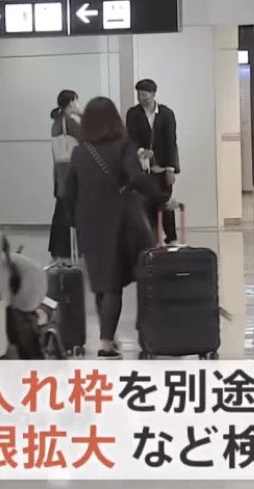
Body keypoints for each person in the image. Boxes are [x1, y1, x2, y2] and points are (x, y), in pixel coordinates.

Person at [66, 97, 173, 359]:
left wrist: (76, 221)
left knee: (101, 282)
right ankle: (107, 343)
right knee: (116, 283)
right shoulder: (123, 146)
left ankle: (108, 339)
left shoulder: (79, 152)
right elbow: (135, 177)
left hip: (89, 224)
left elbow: (69, 193)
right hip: (119, 222)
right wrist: (161, 198)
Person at [125, 79, 180, 244]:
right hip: (142, 168)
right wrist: (140, 151)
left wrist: (170, 168)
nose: (141, 98)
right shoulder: (133, 113)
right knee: (146, 202)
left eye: (145, 95)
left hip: (162, 167)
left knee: (165, 201)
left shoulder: (166, 114)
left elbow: (171, 142)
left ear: (153, 94)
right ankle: (152, 239)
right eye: (139, 95)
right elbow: (131, 138)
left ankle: (171, 239)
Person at [49, 89, 81, 260]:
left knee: (61, 211)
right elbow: (88, 137)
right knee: (68, 211)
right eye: (76, 101)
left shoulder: (56, 122)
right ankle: (66, 249)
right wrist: (81, 114)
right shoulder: (69, 122)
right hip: (70, 172)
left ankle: (57, 249)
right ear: (71, 102)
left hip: (60, 172)